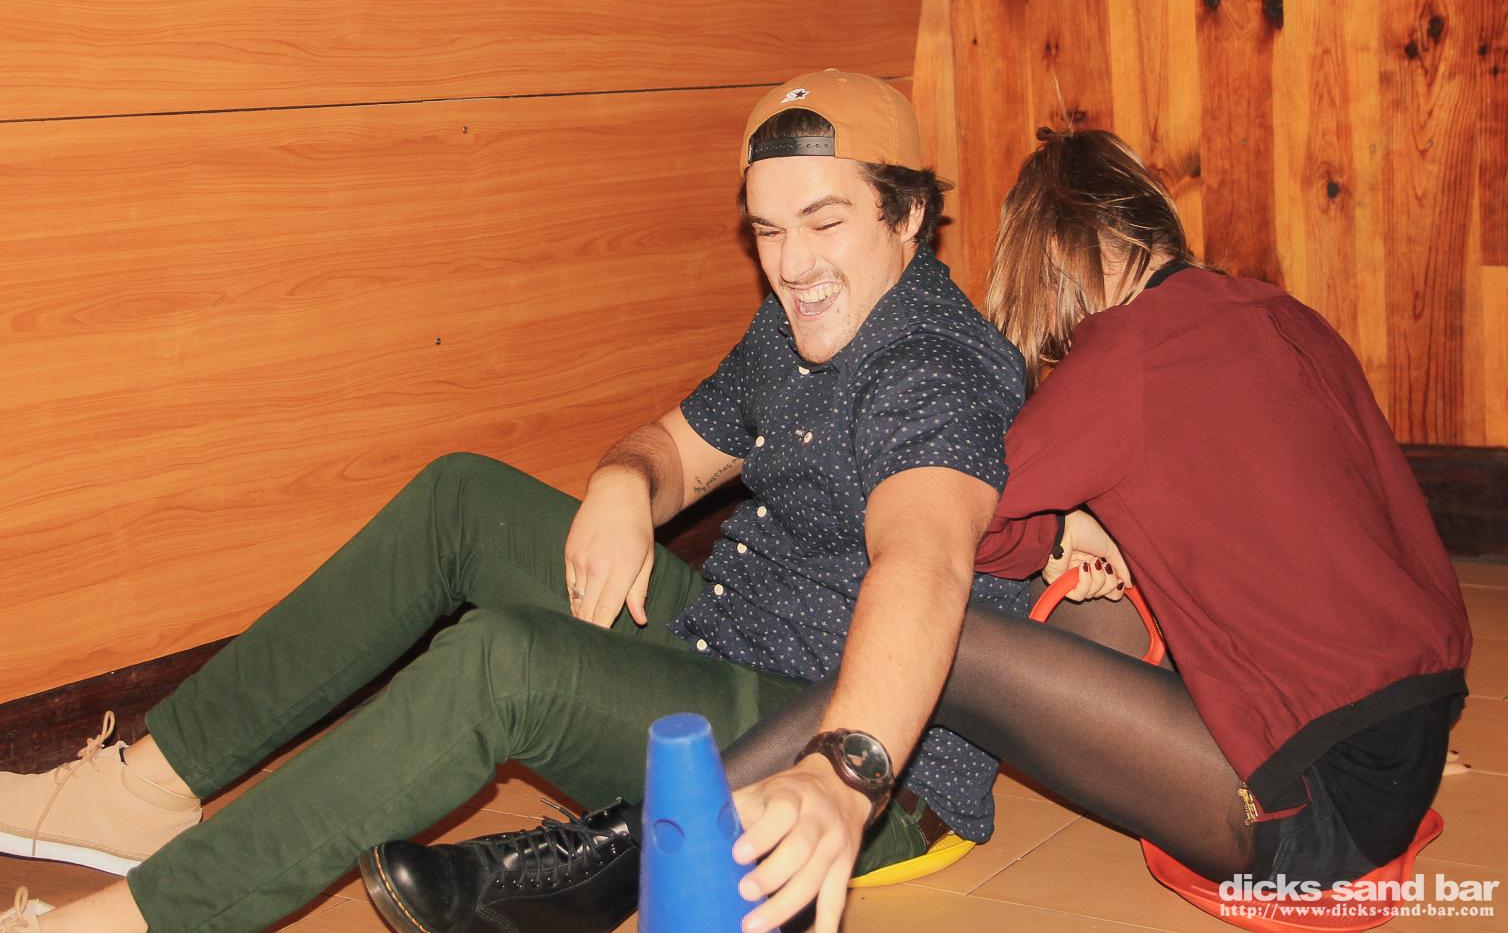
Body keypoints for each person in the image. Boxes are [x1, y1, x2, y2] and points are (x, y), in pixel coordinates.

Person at [0, 70, 1031, 933]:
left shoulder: (930, 369)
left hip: (845, 755)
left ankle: (143, 918)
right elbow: (672, 450)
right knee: (463, 498)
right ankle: (143, 789)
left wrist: (843, 772)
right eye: (768, 230)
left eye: (824, 222)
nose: (793, 264)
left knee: (503, 663)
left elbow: (925, 561)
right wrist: (624, 483)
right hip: (726, 643)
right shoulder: (800, 321)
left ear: (907, 213)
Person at [631, 127, 1473, 925]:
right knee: (1106, 608)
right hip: (1411, 735)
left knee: (955, 638)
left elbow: (984, 522)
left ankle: (667, 835)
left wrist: (1062, 525)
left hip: (1313, 813)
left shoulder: (1124, 352)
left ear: (1050, 260)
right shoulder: (1286, 314)